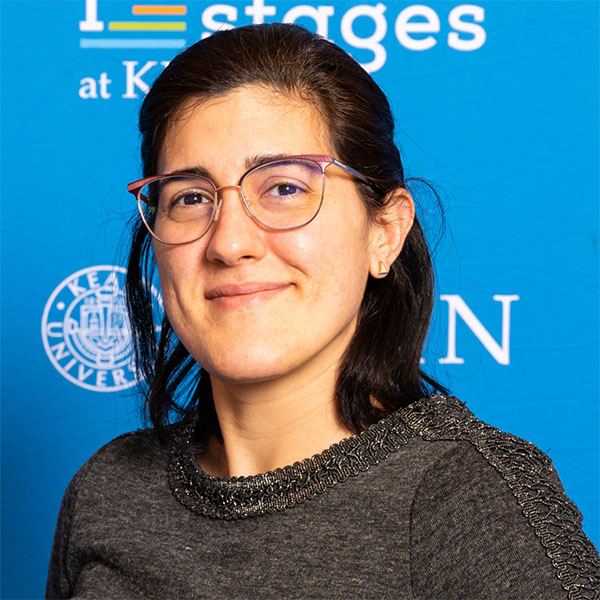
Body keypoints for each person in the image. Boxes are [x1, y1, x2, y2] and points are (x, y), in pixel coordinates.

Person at [46, 23, 599, 599]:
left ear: (384, 233)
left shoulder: (469, 498)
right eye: (190, 197)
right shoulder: (106, 493)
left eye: (284, 188)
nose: (230, 242)